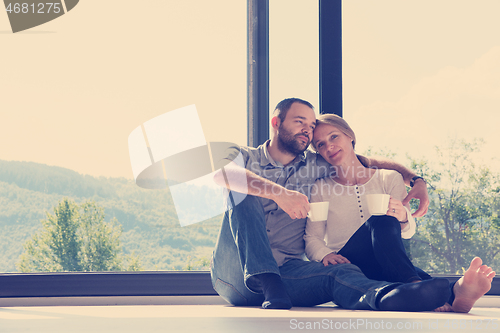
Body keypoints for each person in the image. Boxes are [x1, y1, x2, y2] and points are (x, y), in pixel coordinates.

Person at [210, 97, 452, 312]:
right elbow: (221, 173)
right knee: (241, 186)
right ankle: (265, 277)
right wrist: (280, 193)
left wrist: (416, 180)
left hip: (287, 276)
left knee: (341, 271)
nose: (307, 130)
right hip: (234, 274)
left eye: (311, 125)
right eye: (299, 122)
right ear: (276, 122)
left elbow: (366, 161)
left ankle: (388, 297)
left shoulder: (316, 164)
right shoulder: (242, 155)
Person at [304, 113, 496, 312]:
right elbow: (312, 237)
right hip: (348, 263)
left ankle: (452, 291)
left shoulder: (389, 178)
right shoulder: (321, 188)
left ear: (350, 136)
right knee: (381, 222)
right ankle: (434, 287)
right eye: (320, 144)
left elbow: (408, 232)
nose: (329, 147)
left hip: (383, 260)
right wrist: (325, 254)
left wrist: (403, 217)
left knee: (386, 230)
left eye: (334, 137)